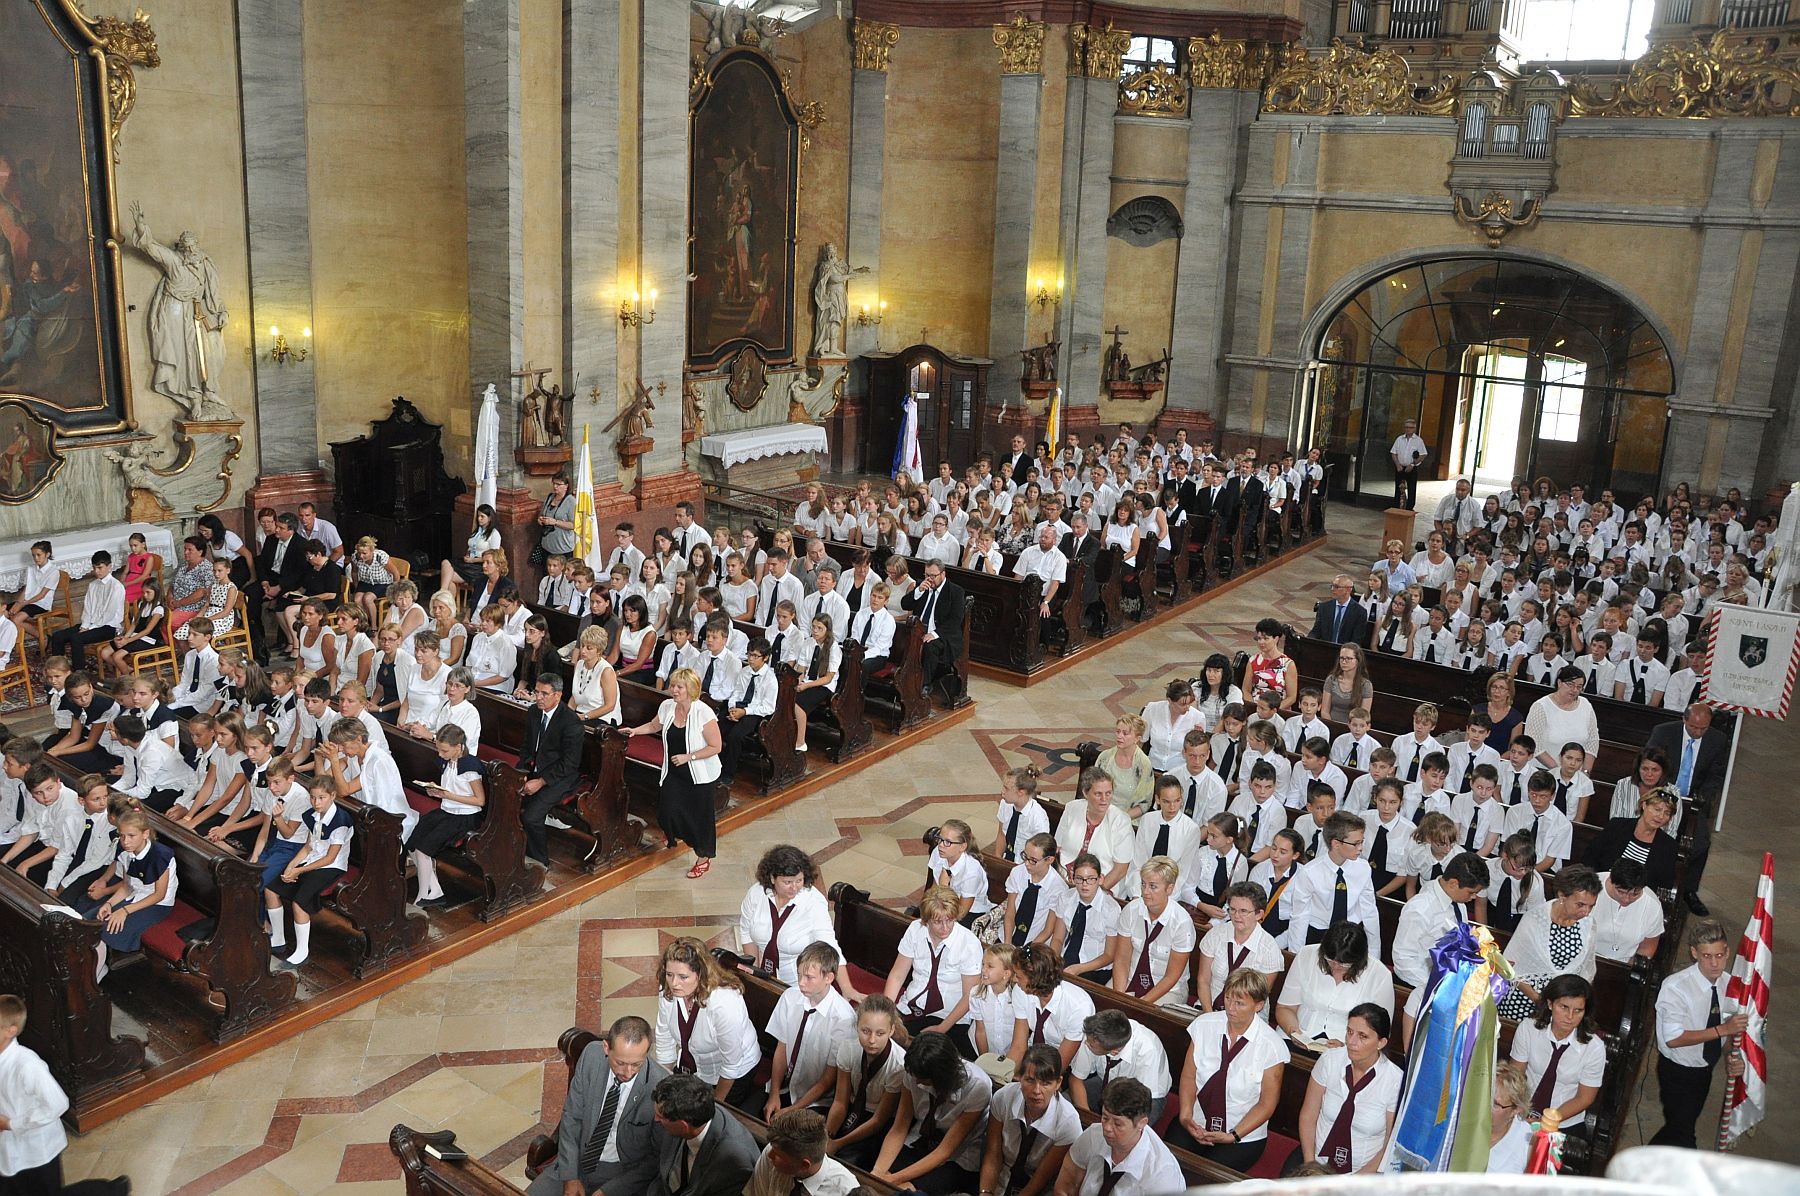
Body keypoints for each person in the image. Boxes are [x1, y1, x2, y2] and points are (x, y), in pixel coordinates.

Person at [0, 995, 130, 1196]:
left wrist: (11, 1124)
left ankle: (110, 1190)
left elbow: (57, 1104)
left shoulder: (27, 1065)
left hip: (36, 1149)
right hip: (7, 1149)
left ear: (11, 1030)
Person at [528, 1015, 669, 1196]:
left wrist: (610, 1190)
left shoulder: (660, 1086)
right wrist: (570, 1176)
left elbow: (656, 1157)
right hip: (576, 1159)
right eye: (620, 1063)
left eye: (636, 1064)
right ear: (606, 1048)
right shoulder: (591, 1056)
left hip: (623, 1174)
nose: (628, 1073)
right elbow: (572, 1117)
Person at [1171, 967, 1288, 1169]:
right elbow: (1189, 1076)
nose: (1230, 1008)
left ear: (1258, 1005)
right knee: (1168, 1167)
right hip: (1197, 1119)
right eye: (1227, 998)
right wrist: (1186, 1115)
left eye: (1240, 1003)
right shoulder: (1204, 1025)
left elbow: (1267, 1104)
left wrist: (1233, 1135)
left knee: (1209, 1183)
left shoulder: (1272, 1047)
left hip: (1242, 1133)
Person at [1650, 918, 1747, 1149]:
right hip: (1678, 1071)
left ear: (1727, 951)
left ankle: (1646, 1160)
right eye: (1707, 956)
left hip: (1705, 1069)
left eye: (1719, 955)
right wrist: (1723, 1030)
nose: (1714, 963)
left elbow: (1730, 1033)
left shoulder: (1730, 985)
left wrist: (1732, 1057)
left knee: (1678, 1126)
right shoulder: (1676, 987)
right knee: (1684, 1133)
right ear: (1694, 952)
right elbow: (1674, 1039)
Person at [627, 667, 722, 880]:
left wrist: (689, 757)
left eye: (679, 686)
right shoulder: (667, 706)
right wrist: (634, 731)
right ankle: (672, 836)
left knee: (700, 819)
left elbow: (716, 747)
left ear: (690, 689)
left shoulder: (703, 712)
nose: (674, 690)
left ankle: (703, 859)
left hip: (699, 774)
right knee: (666, 811)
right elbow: (654, 725)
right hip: (674, 770)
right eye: (673, 685)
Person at [872, 1030, 993, 1193]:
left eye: (922, 1080)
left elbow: (945, 1151)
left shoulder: (978, 1086)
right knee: (881, 1177)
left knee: (910, 1190)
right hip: (921, 1138)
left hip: (958, 1154)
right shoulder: (914, 1071)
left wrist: (892, 1179)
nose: (916, 1082)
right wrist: (877, 1174)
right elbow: (900, 1127)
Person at [655, 937, 761, 1105]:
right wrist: (664, 1085)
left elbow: (732, 1064)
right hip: (693, 1066)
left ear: (701, 974)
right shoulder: (669, 991)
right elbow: (664, 1039)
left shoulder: (723, 1003)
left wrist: (716, 1104)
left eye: (683, 977)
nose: (674, 983)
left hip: (731, 1075)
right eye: (669, 974)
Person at [1297, 1003, 1401, 1173]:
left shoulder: (1394, 1081)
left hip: (1365, 1172)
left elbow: (1390, 1143)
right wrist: (1310, 1165)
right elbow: (1308, 1115)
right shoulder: (1330, 1060)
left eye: (1362, 1036)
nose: (1351, 1042)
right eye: (1349, 1032)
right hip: (1318, 1160)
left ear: (1381, 1042)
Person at [1646, 702, 1728, 915]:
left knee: (1700, 843)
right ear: (1684, 720)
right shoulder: (1663, 733)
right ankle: (1654, 882)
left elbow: (1716, 775)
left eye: (1703, 728)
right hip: (1662, 796)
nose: (1698, 732)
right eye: (1694, 727)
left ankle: (1688, 890)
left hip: (1693, 800)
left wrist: (1701, 797)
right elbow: (1650, 765)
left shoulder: (1717, 740)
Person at [737, 844, 850, 990]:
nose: (794, 887)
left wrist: (847, 988)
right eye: (787, 882)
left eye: (799, 881)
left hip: (798, 981)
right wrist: (753, 973)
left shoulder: (813, 901)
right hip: (763, 972)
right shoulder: (757, 894)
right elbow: (746, 932)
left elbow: (829, 945)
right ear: (772, 878)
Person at [976, 1043, 1080, 1196]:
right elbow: (993, 1154)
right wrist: (986, 1192)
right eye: (1030, 1080)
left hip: (1037, 1186)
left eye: (1046, 1083)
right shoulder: (1004, 1097)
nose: (1037, 1091)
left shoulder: (1068, 1122)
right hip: (1002, 1173)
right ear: (1019, 1077)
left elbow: (1042, 1177)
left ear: (1058, 1083)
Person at [1498, 866, 1600, 1021]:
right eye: (1580, 904)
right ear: (1562, 896)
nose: (1586, 912)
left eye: (1591, 906)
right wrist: (1540, 1001)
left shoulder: (1588, 924)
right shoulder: (1535, 920)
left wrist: (1567, 1005)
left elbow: (1587, 970)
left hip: (1564, 1006)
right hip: (1524, 1001)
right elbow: (1511, 967)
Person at [885, 885, 983, 1044]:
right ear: (926, 920)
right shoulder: (915, 929)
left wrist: (942, 1027)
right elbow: (897, 975)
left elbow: (969, 995)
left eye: (950, 920)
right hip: (911, 1005)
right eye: (938, 922)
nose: (945, 928)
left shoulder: (969, 943)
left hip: (949, 1016)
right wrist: (887, 1012)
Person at [1275, 923, 1395, 1052]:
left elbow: (1380, 1031)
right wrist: (1292, 1031)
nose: (1336, 967)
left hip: (1349, 1048)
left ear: (1359, 960)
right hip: (1300, 1034)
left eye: (1344, 964)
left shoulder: (1379, 975)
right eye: (1330, 960)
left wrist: (1348, 1046)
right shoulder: (1307, 955)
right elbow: (1285, 1007)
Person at [1055, 1077, 1183, 1196]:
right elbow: (1066, 1184)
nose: (1107, 1128)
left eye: (1117, 1123)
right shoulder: (1094, 1135)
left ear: (1141, 1123)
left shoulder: (1162, 1175)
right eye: (1105, 1117)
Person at [1509, 974, 1606, 1130]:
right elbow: (1515, 1075)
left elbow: (1584, 1098)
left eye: (1578, 1010)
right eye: (1564, 1007)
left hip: (1564, 1121)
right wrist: (1518, 1109)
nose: (1570, 1017)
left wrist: (1548, 1121)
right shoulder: (1529, 1029)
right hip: (1523, 1111)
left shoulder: (1594, 1048)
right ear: (1550, 1004)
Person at [824, 995, 907, 1169]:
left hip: (875, 1121)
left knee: (847, 1161)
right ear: (857, 1027)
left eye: (880, 1033)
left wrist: (838, 1143)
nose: (871, 1040)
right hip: (850, 1108)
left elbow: (879, 1119)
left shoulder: (899, 1064)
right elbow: (840, 1102)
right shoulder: (848, 1049)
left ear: (891, 1030)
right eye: (866, 1031)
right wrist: (827, 1137)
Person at [646, 1071, 760, 1196]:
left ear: (683, 1125)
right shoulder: (684, 1115)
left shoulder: (735, 1162)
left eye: (660, 1116)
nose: (656, 1120)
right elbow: (661, 1176)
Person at [1288, 812, 1380, 952]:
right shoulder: (1309, 873)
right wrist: (1296, 954)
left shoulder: (1363, 868)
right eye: (1355, 843)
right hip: (1318, 933)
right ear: (1336, 843)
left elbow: (1370, 912)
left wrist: (1374, 954)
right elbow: (1300, 917)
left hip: (1351, 934)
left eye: (1361, 842)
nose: (1360, 848)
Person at [517, 674, 583, 867]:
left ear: (558, 695)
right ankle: (513, 850)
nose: (538, 697)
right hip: (534, 769)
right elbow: (526, 747)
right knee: (503, 796)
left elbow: (570, 764)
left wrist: (541, 781)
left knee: (531, 817)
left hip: (560, 777)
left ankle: (539, 861)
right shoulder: (534, 712)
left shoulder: (571, 722)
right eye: (537, 692)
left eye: (544, 694)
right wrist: (521, 773)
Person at [1583, 788, 1681, 892]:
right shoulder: (1617, 826)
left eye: (1667, 813)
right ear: (1644, 805)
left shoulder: (1669, 846)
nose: (1661, 816)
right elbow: (1590, 858)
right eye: (1657, 809)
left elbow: (1664, 884)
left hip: (1639, 898)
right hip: (1603, 888)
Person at [746, 1107, 858, 1196]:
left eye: (778, 1155)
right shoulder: (773, 1151)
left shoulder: (846, 1190)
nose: (770, 1155)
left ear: (804, 1165)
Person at [48, 551, 123, 672]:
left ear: (109, 566)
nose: (97, 571)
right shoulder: (93, 585)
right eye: (94, 568)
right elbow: (87, 608)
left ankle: (79, 673)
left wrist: (90, 628)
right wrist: (85, 625)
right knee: (58, 636)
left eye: (100, 568)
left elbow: (109, 614)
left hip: (108, 627)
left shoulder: (116, 586)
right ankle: (59, 670)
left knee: (76, 638)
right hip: (91, 625)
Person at [903, 560, 966, 702]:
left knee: (930, 646)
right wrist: (918, 591)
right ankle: (902, 678)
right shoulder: (922, 586)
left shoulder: (955, 591)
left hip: (944, 635)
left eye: (933, 575)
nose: (930, 579)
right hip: (919, 630)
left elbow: (955, 621)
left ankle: (925, 684)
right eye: (927, 575)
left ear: (943, 574)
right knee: (900, 639)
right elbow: (904, 604)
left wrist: (934, 634)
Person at [1523, 666, 1599, 771]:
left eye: (1579, 687)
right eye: (1570, 685)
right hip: (1543, 771)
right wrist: (1559, 771)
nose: (1574, 690)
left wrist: (1585, 773)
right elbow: (1534, 744)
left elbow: (1593, 741)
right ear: (1559, 683)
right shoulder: (1541, 706)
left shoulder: (1586, 705)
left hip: (1575, 774)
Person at [1484, 1063, 1535, 1173]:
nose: (1484, 1106)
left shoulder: (1528, 1143)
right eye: (1485, 1097)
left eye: (1495, 1104)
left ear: (1516, 1110)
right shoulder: (1461, 1119)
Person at [1310, 575, 1369, 646]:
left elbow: (1356, 640)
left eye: (1336, 587)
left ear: (1348, 589)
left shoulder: (1359, 612)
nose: (1332, 589)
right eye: (1332, 586)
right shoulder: (1324, 608)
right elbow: (1316, 632)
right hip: (1324, 649)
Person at [1389, 418, 1427, 510]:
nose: (1408, 429)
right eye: (1406, 427)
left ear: (1414, 429)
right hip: (1400, 467)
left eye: (1410, 427)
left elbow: (1423, 455)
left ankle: (1409, 508)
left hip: (1412, 467)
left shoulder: (1418, 441)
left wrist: (1413, 464)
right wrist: (1397, 465)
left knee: (1411, 488)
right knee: (1398, 488)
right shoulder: (1399, 439)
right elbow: (1393, 453)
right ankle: (1397, 506)